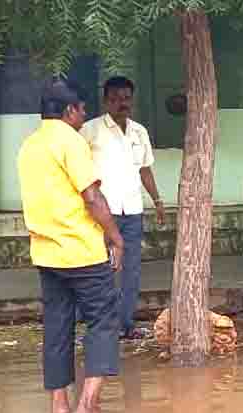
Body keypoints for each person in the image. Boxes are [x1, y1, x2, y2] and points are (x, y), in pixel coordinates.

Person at [18, 79, 124, 413]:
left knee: (57, 327)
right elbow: (92, 196)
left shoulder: (29, 145)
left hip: (46, 254)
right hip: (82, 251)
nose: (84, 114)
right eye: (81, 108)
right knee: (103, 322)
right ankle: (88, 406)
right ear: (69, 111)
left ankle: (60, 406)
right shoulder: (71, 142)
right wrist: (115, 237)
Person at [80, 76, 165, 341]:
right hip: (103, 212)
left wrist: (158, 201)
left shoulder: (139, 131)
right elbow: (78, 171)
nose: (122, 104)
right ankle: (99, 328)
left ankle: (126, 326)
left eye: (126, 98)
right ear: (106, 101)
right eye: (116, 99)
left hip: (132, 211)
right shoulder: (90, 130)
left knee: (131, 270)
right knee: (101, 270)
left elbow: (145, 170)